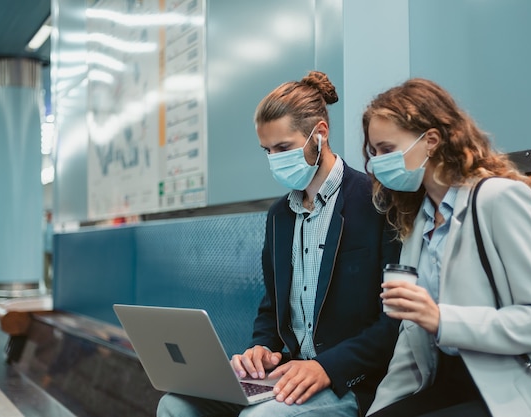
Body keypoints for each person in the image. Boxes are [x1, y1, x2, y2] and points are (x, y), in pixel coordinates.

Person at [157, 71, 401, 417]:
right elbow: (272, 308)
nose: (274, 158)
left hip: (350, 380)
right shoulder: (279, 216)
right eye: (267, 150)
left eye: (283, 147)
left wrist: (326, 367)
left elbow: (393, 322)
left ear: (320, 133)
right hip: (286, 373)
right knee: (175, 405)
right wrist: (261, 348)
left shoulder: (377, 203)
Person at [361, 78, 531, 417]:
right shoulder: (419, 223)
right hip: (450, 382)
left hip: (516, 386)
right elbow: (411, 339)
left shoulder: (499, 199)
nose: (376, 163)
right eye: (373, 152)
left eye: (387, 149)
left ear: (430, 140)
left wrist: (442, 318)